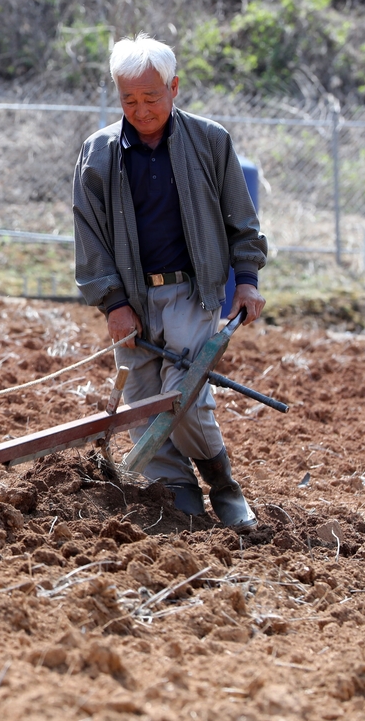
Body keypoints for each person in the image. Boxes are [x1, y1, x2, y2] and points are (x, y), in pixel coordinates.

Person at [73, 33, 268, 532]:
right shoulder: (98, 154)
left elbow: (241, 221)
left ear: (174, 86)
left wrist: (246, 279)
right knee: (142, 400)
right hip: (132, 298)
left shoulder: (210, 141)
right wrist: (114, 302)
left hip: (191, 293)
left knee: (184, 398)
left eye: (151, 97)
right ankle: (178, 492)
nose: (140, 109)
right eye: (128, 99)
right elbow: (89, 237)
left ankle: (222, 484)